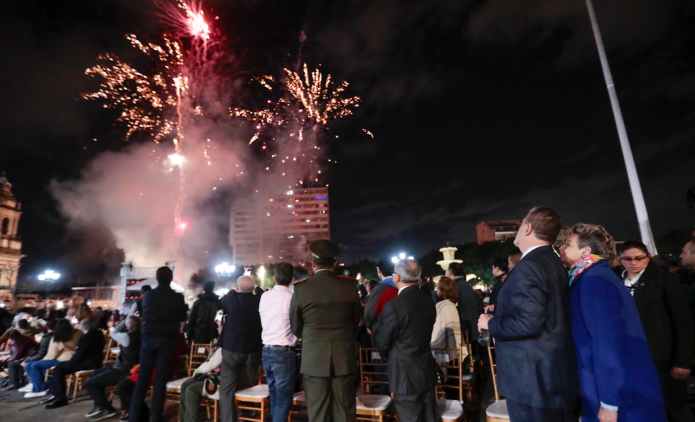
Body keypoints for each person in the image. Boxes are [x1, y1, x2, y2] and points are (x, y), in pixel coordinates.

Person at [478, 206, 579, 422]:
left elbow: (528, 322)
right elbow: (546, 308)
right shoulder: (552, 261)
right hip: (550, 375)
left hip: (533, 381)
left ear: (528, 228)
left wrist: (491, 324)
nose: (518, 228)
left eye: (520, 224)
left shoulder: (529, 266)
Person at [560, 224, 666, 421]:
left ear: (586, 251)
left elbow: (607, 343)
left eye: (567, 243)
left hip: (615, 394)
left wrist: (609, 402)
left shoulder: (594, 280)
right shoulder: (591, 276)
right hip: (608, 387)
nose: (561, 248)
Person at [619, 239, 693, 422]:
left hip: (660, 358)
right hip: (627, 356)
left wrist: (682, 361)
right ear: (620, 259)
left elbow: (682, 321)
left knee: (672, 408)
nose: (633, 263)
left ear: (648, 257)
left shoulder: (664, 279)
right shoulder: (615, 280)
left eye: (639, 258)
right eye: (628, 259)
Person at [290, 239, 361, 422]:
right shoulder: (350, 286)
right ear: (335, 263)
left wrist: (310, 338)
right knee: (345, 410)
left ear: (313, 264)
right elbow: (355, 322)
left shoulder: (301, 289)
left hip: (314, 356)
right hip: (343, 354)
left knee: (318, 411)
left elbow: (296, 325)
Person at [373, 259, 439, 422]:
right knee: (429, 416)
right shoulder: (428, 301)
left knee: (410, 417)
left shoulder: (394, 306)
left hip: (404, 374)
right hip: (426, 368)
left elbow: (383, 342)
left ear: (396, 277)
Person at [129, 266, 187, 422]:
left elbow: (141, 313)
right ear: (171, 278)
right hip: (167, 340)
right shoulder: (177, 297)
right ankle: (156, 417)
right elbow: (183, 316)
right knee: (161, 380)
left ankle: (133, 416)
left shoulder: (147, 296)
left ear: (157, 278)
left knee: (143, 380)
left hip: (148, 338)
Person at [219, 275, 263, 422]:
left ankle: (229, 419)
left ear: (237, 288)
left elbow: (225, 298)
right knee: (249, 385)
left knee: (226, 390)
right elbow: (261, 293)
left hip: (232, 348)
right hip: (253, 350)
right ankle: (250, 414)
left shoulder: (231, 299)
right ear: (252, 289)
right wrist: (256, 289)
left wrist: (236, 289)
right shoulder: (259, 300)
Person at [259, 262, 298, 422]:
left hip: (266, 351)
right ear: (292, 279)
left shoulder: (265, 296)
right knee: (283, 399)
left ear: (274, 278)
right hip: (283, 352)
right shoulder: (292, 298)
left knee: (274, 394)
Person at [84, 315, 142, 421]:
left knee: (89, 383)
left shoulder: (127, 337)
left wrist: (124, 322)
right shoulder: (141, 334)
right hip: (128, 366)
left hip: (123, 369)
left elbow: (114, 332)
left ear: (128, 325)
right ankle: (101, 403)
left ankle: (105, 408)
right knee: (95, 373)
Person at [44, 317, 105, 409]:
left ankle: (60, 397)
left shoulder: (85, 338)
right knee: (60, 367)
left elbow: (79, 355)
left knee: (58, 369)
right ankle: (56, 395)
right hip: (96, 361)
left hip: (87, 363)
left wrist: (70, 363)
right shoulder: (99, 334)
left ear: (83, 327)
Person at [24, 318, 80, 398]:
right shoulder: (77, 332)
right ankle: (44, 386)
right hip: (75, 357)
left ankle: (39, 389)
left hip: (62, 360)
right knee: (35, 365)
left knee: (31, 365)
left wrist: (42, 361)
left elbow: (52, 354)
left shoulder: (58, 337)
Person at [431, 276, 465, 374]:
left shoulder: (441, 306)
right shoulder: (451, 305)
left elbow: (438, 334)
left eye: (438, 287)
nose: (436, 289)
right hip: (455, 352)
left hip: (446, 353)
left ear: (442, 290)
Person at [179, 346, 222, 422]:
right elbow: (208, 361)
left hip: (219, 378)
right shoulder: (217, 342)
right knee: (184, 386)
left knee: (191, 391)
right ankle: (182, 419)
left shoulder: (226, 342)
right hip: (208, 374)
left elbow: (213, 363)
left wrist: (197, 372)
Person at [18, 319, 57, 392]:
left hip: (51, 358)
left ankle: (38, 387)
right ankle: (36, 384)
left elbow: (42, 354)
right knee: (31, 364)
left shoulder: (48, 337)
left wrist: (27, 360)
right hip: (51, 357)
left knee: (30, 365)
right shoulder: (54, 336)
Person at [447, 262, 478, 344]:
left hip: (463, 327)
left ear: (450, 272)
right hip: (472, 326)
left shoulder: (454, 286)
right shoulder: (467, 286)